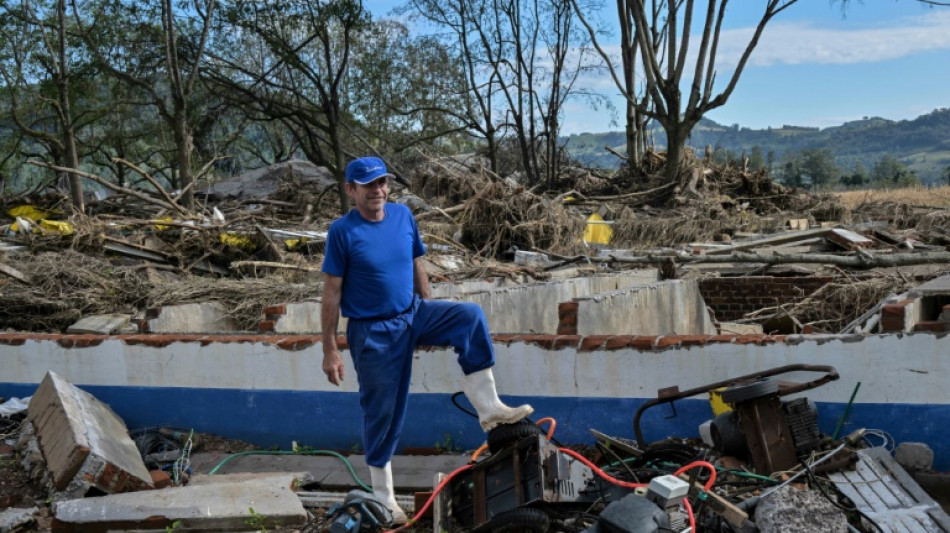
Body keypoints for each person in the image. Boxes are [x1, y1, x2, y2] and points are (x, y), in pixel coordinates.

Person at [320, 156, 533, 523]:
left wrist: (430, 319)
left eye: (382, 183)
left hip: (414, 314)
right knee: (382, 411)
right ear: (351, 189)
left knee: (468, 317)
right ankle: (384, 497)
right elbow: (331, 292)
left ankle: (489, 408)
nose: (378, 191)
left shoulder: (403, 216)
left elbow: (417, 264)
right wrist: (330, 349)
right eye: (368, 185)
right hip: (372, 332)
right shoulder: (343, 232)